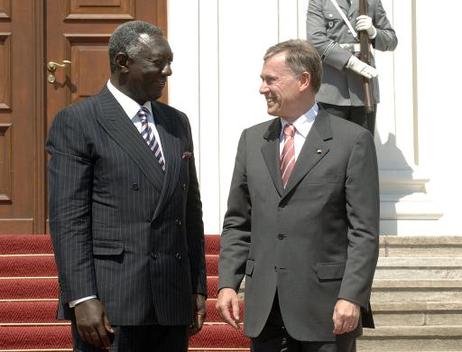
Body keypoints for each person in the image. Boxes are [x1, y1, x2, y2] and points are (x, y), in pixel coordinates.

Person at [47, 21, 207, 352]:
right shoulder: (79, 122)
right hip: (112, 301)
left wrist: (197, 286)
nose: (169, 71)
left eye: (170, 60)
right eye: (158, 62)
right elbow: (69, 219)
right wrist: (82, 297)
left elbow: (189, 209)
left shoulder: (176, 122)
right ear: (123, 62)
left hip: (170, 300)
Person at [216, 39, 379, 352]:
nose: (262, 88)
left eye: (270, 79)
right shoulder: (252, 140)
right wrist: (227, 283)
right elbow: (238, 221)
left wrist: (351, 296)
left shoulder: (351, 141)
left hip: (326, 312)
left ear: (304, 80)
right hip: (265, 312)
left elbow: (364, 231)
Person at [306, 0, 397, 134]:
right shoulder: (320, 1)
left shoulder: (372, 2)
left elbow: (391, 41)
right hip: (332, 88)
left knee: (363, 147)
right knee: (332, 147)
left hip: (363, 89)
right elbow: (315, 40)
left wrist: (373, 32)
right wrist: (349, 61)